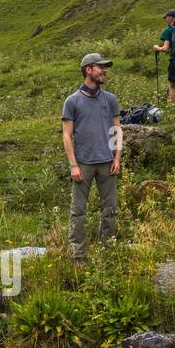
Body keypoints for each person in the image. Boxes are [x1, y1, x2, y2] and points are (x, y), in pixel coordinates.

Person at [62, 52, 121, 263]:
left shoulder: (110, 99)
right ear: (88, 70)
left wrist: (117, 159)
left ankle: (108, 251)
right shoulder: (73, 101)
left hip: (107, 164)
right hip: (83, 165)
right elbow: (67, 135)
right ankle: (78, 255)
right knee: (78, 211)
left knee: (110, 209)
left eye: (105, 67)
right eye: (100, 67)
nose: (104, 71)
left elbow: (117, 130)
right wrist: (73, 165)